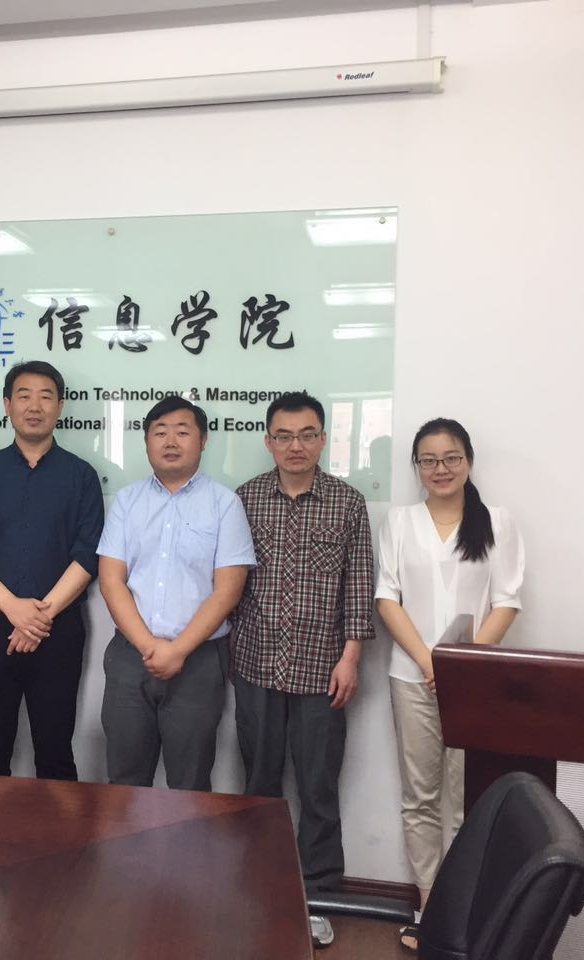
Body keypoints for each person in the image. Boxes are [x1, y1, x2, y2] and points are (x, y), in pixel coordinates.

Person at [230, 391, 374, 947]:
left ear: (323, 440)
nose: (296, 446)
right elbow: (229, 583)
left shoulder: (347, 502)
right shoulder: (244, 499)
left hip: (323, 670)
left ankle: (318, 898)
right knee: (259, 786)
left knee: (317, 789)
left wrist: (351, 657)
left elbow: (358, 585)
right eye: (285, 436)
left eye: (307, 434)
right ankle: (257, 890)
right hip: (256, 663)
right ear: (268, 441)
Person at [375, 417, 524, 950]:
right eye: (429, 460)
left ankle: (466, 912)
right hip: (411, 676)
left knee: (467, 800)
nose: (441, 469)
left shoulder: (497, 522)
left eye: (451, 458)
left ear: (469, 462)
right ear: (417, 467)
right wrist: (431, 662)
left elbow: (507, 600)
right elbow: (386, 597)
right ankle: (429, 908)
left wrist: (464, 664)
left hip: (474, 684)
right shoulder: (400, 521)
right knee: (420, 798)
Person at [0, 361, 104, 781]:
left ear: (60, 406)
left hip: (58, 629)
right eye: (24, 396)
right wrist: (11, 607)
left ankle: (60, 830)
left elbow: (88, 555)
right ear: (6, 404)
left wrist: (38, 617)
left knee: (55, 754)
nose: (35, 406)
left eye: (46, 396)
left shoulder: (81, 476)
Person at [98, 396, 254, 791]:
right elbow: (111, 581)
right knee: (125, 781)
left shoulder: (225, 504)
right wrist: (149, 645)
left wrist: (178, 650)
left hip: (198, 660)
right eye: (160, 432)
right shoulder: (127, 502)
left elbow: (228, 590)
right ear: (146, 441)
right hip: (131, 657)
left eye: (182, 432)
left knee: (190, 783)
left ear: (203, 440)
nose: (170, 441)